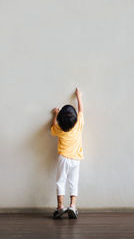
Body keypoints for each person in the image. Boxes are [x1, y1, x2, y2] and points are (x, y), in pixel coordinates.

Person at [51, 87, 84, 219]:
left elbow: (53, 127)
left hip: (63, 158)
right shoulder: (79, 124)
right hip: (76, 159)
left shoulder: (59, 129)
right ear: (75, 118)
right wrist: (78, 96)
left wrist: (55, 114)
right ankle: (73, 206)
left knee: (61, 181)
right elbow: (81, 110)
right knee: (73, 182)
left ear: (61, 120)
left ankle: (60, 207)